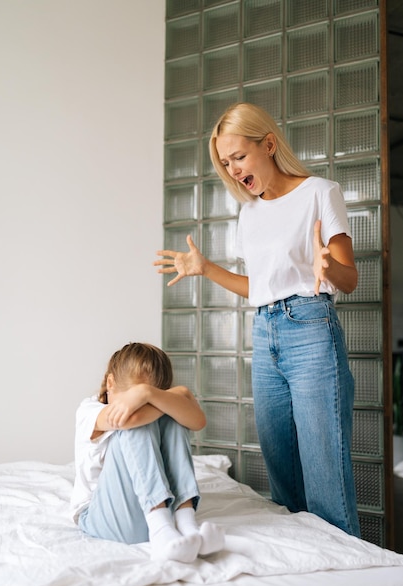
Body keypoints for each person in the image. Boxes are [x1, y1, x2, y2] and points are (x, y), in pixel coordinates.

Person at [154, 102, 360, 537]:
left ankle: (348, 573)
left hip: (310, 330)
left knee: (326, 478)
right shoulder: (249, 214)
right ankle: (302, 573)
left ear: (268, 144)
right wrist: (205, 268)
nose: (233, 170)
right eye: (226, 163)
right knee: (282, 477)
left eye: (239, 157)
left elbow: (349, 278)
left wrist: (327, 265)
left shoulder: (321, 192)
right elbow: (261, 286)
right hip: (265, 333)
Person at [70, 342, 225, 562]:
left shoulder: (151, 396)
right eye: (136, 394)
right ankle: (160, 527)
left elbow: (197, 421)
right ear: (110, 382)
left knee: (174, 415)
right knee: (140, 419)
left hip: (158, 516)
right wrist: (172, 394)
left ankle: (188, 525)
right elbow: (130, 419)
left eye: (151, 393)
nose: (143, 399)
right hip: (103, 519)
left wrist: (148, 394)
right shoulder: (89, 410)